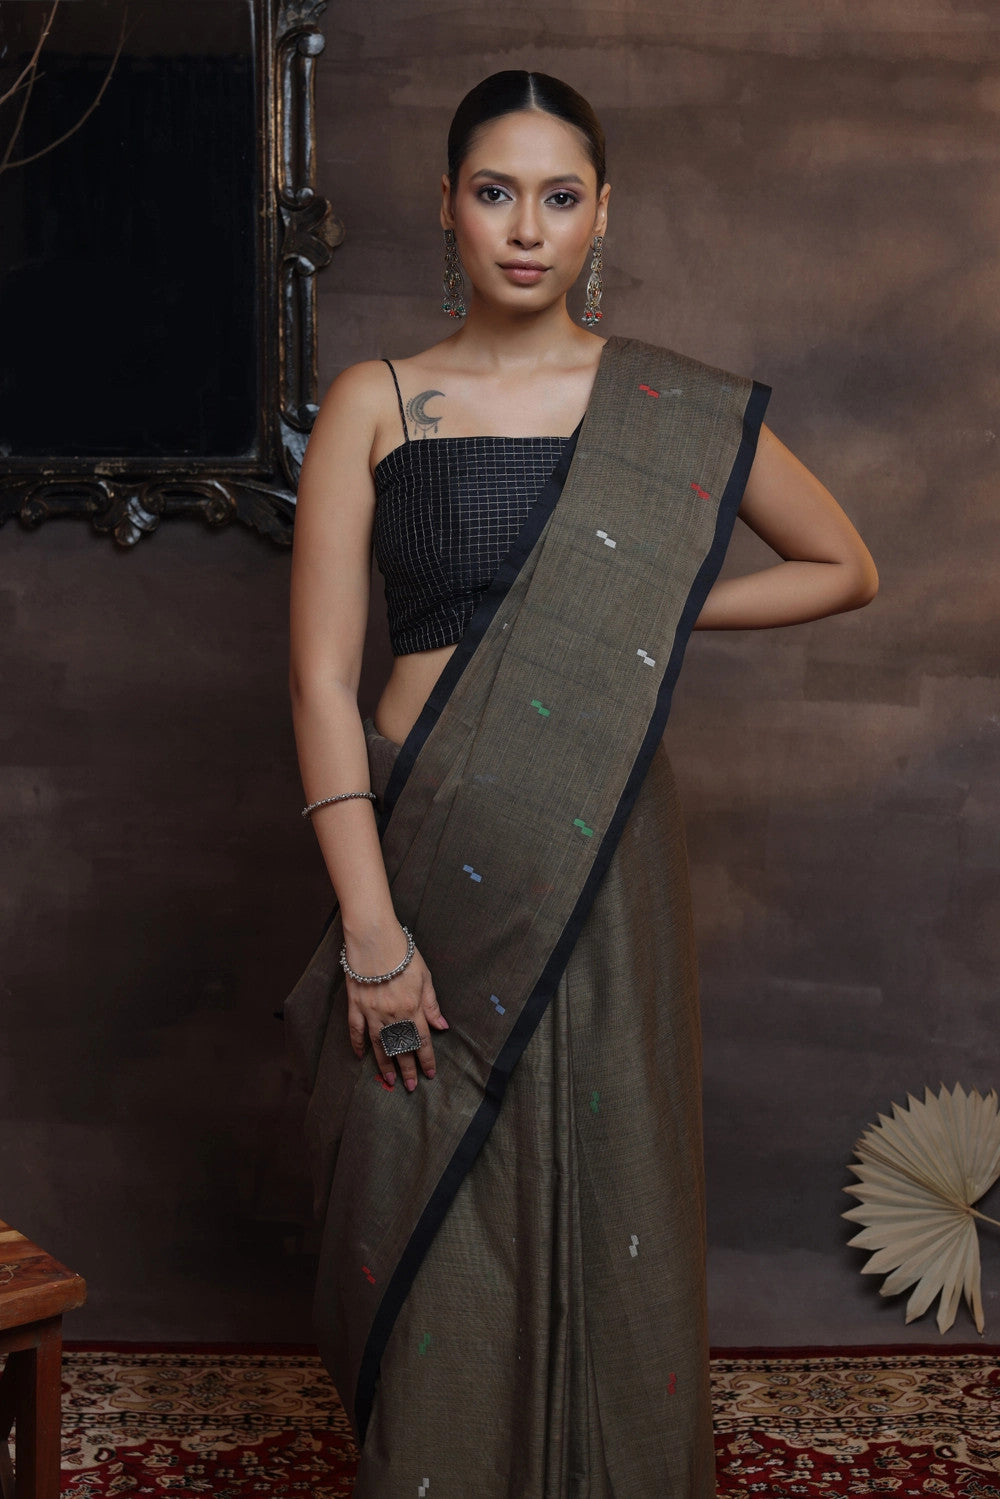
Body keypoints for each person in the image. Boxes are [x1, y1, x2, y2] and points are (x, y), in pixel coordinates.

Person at [285, 70, 877, 1499]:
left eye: (559, 198)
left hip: (603, 835)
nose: (525, 229)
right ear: (447, 204)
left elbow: (844, 566)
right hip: (419, 849)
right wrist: (370, 930)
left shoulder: (665, 408)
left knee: (612, 1170)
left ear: (602, 214)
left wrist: (643, 611)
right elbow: (317, 684)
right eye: (495, 193)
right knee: (427, 1171)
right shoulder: (377, 401)